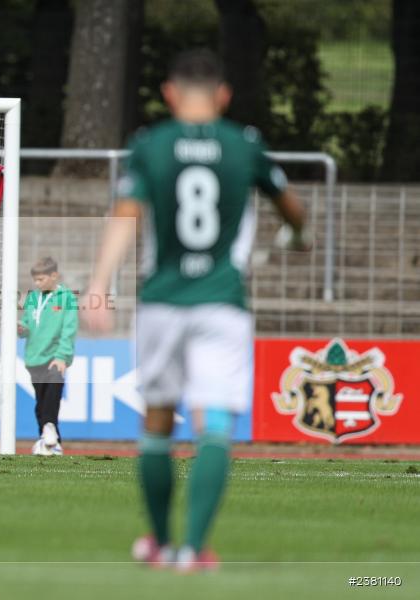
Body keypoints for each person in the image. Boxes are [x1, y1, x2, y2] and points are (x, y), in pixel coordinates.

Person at [81, 49, 311, 571]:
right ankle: (193, 549)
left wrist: (99, 283)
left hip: (161, 299)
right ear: (224, 95)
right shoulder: (244, 145)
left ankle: (160, 544)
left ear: (169, 93)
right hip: (222, 302)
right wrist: (298, 232)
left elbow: (125, 214)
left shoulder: (151, 145)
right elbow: (290, 203)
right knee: (215, 425)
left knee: (158, 422)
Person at [18, 257, 78, 456]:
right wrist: (21, 328)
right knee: (41, 404)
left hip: (55, 358)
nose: (37, 284)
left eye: (41, 279)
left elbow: (69, 329)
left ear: (54, 276)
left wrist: (62, 356)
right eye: (35, 280)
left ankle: (49, 431)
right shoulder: (33, 297)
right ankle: (51, 443)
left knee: (53, 393)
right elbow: (28, 324)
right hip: (34, 357)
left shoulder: (67, 297)